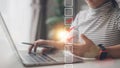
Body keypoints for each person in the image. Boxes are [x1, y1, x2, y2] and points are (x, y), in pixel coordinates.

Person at [29, 0, 120, 59]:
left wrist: (99, 51)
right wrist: (51, 44)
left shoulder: (117, 15)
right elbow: (69, 43)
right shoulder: (81, 16)